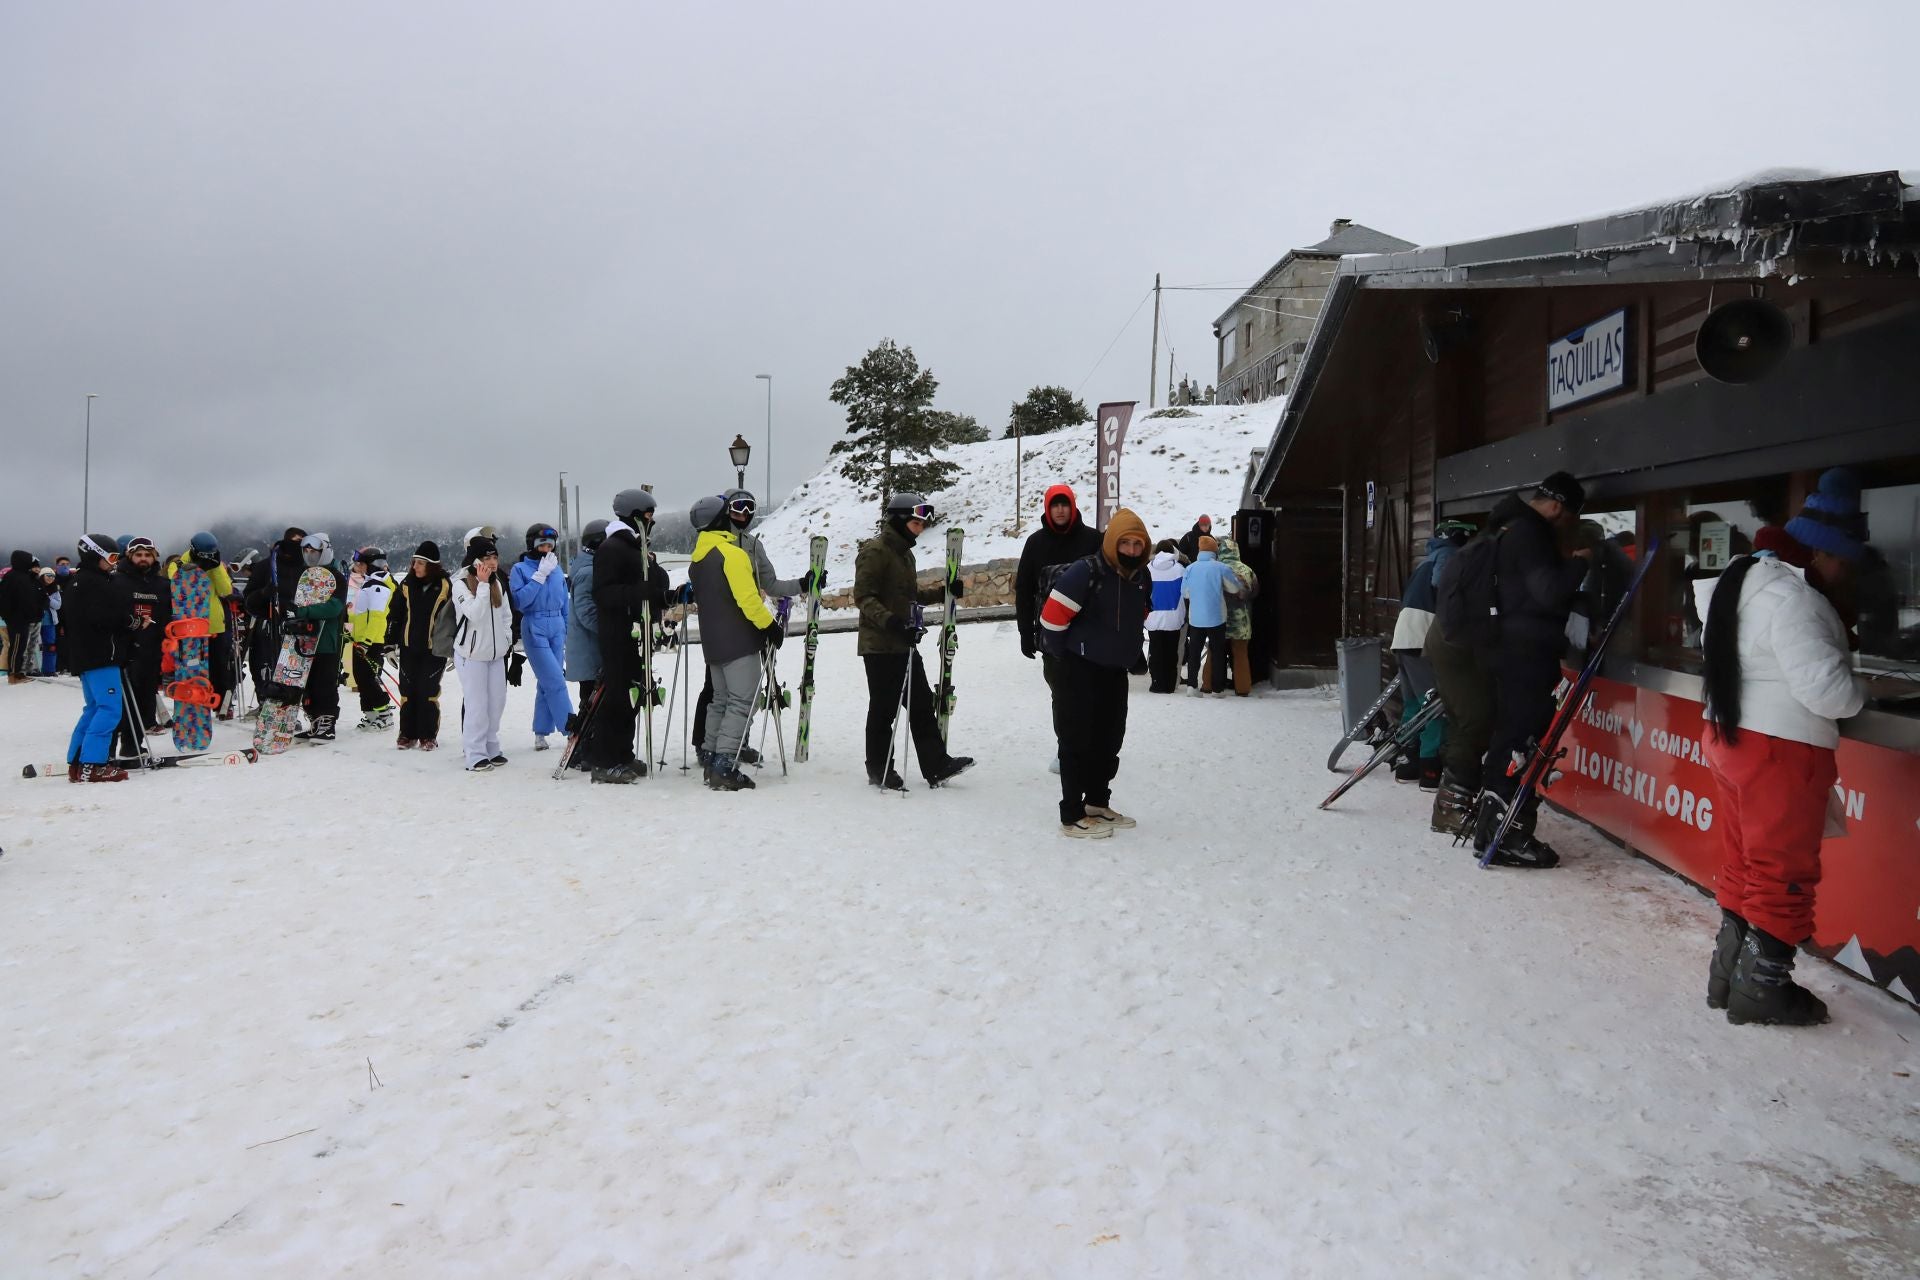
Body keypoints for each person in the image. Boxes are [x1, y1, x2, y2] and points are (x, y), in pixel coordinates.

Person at [1697, 469, 1868, 1027]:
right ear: (1823, 554)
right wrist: (1864, 687)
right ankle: (1762, 989)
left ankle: (1731, 973)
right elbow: (1829, 692)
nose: (1847, 572)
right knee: (1783, 869)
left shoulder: (1743, 580)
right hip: (1779, 748)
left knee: (1746, 861)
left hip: (1730, 735)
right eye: (1845, 559)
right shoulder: (1795, 599)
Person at [1471, 472, 1593, 868]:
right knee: (1523, 743)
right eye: (1570, 518)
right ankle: (1510, 835)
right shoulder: (1532, 532)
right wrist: (1579, 566)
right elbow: (1548, 592)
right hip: (1527, 654)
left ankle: (1492, 828)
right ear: (1557, 507)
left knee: (1508, 736)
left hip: (1504, 650)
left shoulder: (1506, 528)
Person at [1037, 507, 1154, 838]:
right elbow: (1052, 619)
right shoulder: (1085, 571)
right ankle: (1071, 814)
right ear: (1112, 542)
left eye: (1137, 544)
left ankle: (1097, 803)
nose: (1131, 550)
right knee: (1075, 741)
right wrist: (1067, 658)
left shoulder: (1140, 577)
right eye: (1125, 543)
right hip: (1078, 668)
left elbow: (1138, 618)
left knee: (1109, 739)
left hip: (1114, 671)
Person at [853, 492, 974, 790]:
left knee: (920, 704)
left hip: (904, 643)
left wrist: (943, 592)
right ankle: (880, 769)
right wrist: (892, 622)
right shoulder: (875, 552)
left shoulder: (905, 554)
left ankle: (936, 764)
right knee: (884, 709)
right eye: (916, 523)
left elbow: (910, 596)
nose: (920, 529)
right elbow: (863, 597)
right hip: (880, 646)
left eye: (922, 524)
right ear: (900, 520)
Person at [689, 490, 813, 759]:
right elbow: (739, 594)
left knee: (737, 693)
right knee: (724, 694)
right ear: (725, 509)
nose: (744, 513)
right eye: (738, 506)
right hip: (734, 628)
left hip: (744, 627)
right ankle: (712, 748)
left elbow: (770, 585)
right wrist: (768, 625)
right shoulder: (715, 546)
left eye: (750, 507)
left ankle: (734, 743)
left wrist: (802, 585)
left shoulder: (753, 546)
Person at [686, 494, 781, 791]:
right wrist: (770, 626)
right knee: (741, 703)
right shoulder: (731, 554)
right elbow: (748, 599)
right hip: (739, 641)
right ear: (720, 518)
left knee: (720, 701)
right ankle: (725, 765)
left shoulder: (698, 559)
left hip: (713, 644)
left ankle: (713, 758)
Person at [1014, 483, 1103, 770]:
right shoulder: (1036, 543)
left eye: (1064, 504)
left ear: (1073, 506)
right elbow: (1024, 590)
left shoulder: (1093, 539)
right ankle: (1066, 747)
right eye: (1055, 505)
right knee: (1062, 694)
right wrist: (1025, 632)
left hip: (1089, 633)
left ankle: (1090, 744)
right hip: (1052, 635)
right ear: (1047, 508)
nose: (1060, 510)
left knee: (1091, 691)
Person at [586, 489, 671, 783]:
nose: (652, 521)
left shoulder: (635, 548)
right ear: (635, 516)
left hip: (636, 632)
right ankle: (604, 760)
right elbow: (603, 593)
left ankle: (623, 753)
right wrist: (640, 592)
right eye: (649, 516)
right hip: (617, 633)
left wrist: (664, 592)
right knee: (617, 697)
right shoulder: (612, 549)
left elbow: (650, 583)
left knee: (634, 695)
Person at [1389, 520, 1473, 788]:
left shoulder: (1427, 558)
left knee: (1413, 702)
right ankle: (1429, 768)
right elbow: (1443, 585)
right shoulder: (1449, 555)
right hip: (1424, 635)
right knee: (1434, 705)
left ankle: (1408, 761)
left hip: (1404, 634)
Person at [65, 534, 147, 782]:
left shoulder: (78, 581)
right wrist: (132, 622)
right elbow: (104, 618)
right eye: (110, 557)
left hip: (86, 656)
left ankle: (77, 763)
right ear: (95, 555)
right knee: (109, 709)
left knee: (93, 708)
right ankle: (93, 764)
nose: (114, 563)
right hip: (102, 656)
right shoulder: (96, 583)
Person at [450, 535, 515, 771]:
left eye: (495, 557)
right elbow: (474, 614)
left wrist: (507, 639)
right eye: (487, 557)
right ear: (475, 560)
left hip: (496, 654)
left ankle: (490, 745)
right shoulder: (461, 584)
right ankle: (474, 752)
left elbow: (506, 615)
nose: (493, 562)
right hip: (471, 655)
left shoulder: (498, 584)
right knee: (477, 705)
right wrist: (483, 584)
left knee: (496, 703)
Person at [508, 523, 573, 751]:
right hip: (534, 624)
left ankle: (541, 732)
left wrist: (565, 628)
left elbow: (565, 600)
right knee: (555, 680)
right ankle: (571, 728)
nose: (546, 549)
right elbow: (520, 601)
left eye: (550, 545)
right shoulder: (520, 570)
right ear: (532, 545)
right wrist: (539, 576)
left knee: (547, 682)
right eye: (542, 545)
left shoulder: (555, 568)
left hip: (556, 625)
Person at [164, 532, 240, 720]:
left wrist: (215, 568)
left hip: (214, 625)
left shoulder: (216, 566)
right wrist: (193, 571)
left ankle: (223, 703)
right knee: (192, 668)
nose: (207, 559)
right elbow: (177, 588)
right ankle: (194, 704)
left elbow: (225, 590)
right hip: (190, 626)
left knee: (219, 667)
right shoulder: (178, 564)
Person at [387, 541, 453, 750]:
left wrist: (453, 648)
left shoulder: (445, 585)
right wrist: (389, 644)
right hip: (409, 647)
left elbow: (454, 618)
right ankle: (407, 734)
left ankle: (427, 735)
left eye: (420, 563)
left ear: (431, 565)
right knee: (407, 691)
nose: (415, 567)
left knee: (427, 691)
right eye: (414, 562)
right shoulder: (406, 585)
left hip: (435, 649)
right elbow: (395, 615)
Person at [113, 536, 173, 756]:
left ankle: (133, 745)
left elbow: (169, 615)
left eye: (148, 555)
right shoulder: (117, 581)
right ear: (130, 556)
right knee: (125, 703)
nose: (143, 559)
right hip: (126, 651)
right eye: (138, 555)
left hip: (152, 651)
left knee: (145, 702)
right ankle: (115, 749)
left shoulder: (162, 585)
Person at [288, 533, 348, 741]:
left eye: (314, 551)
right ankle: (314, 719)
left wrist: (303, 612)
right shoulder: (305, 575)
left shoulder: (336, 577)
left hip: (327, 639)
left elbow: (334, 607)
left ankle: (327, 721)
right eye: (306, 551)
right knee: (309, 682)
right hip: (305, 639)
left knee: (325, 681)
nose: (309, 555)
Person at [242, 527, 307, 710]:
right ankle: (268, 706)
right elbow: (249, 601)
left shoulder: (306, 568)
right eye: (295, 541)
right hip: (269, 627)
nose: (298, 546)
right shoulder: (266, 566)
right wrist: (263, 593)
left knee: (292, 673)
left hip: (296, 628)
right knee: (266, 669)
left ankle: (290, 709)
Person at [346, 547, 397, 730]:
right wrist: (346, 619)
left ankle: (384, 714)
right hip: (361, 639)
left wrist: (366, 642)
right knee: (361, 679)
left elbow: (377, 617)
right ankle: (371, 714)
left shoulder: (378, 586)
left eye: (360, 563)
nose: (357, 567)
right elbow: (362, 615)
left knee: (368, 679)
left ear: (371, 565)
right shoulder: (370, 583)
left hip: (371, 642)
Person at [1180, 536, 1236, 694]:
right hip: (1217, 617)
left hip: (1196, 618)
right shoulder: (1221, 567)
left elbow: (1185, 592)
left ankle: (1192, 686)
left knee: (1194, 652)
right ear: (1214, 551)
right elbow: (1234, 588)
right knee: (1218, 653)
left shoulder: (1190, 568)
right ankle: (1218, 689)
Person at [565, 519, 607, 712]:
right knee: (592, 706)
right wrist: (611, 629)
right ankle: (587, 741)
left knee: (594, 704)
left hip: (591, 652)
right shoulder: (589, 572)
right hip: (590, 653)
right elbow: (587, 612)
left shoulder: (591, 566)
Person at [1215, 535, 1259, 696]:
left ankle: (1209, 684)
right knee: (1240, 654)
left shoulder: (1217, 569)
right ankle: (1243, 688)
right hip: (1242, 622)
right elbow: (1255, 592)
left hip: (1219, 619)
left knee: (1215, 652)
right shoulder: (1248, 570)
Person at [2, 550, 53, 683]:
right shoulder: (14, 577)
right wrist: (13, 614)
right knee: (17, 646)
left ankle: (19, 672)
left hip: (24, 618)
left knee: (21, 646)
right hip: (17, 618)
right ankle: (13, 674)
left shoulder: (23, 576)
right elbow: (12, 599)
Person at [1144, 539, 1185, 693]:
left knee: (1155, 651)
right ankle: (1169, 684)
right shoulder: (1180, 570)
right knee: (1171, 652)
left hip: (1153, 617)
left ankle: (1157, 683)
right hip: (1174, 617)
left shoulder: (1147, 569)